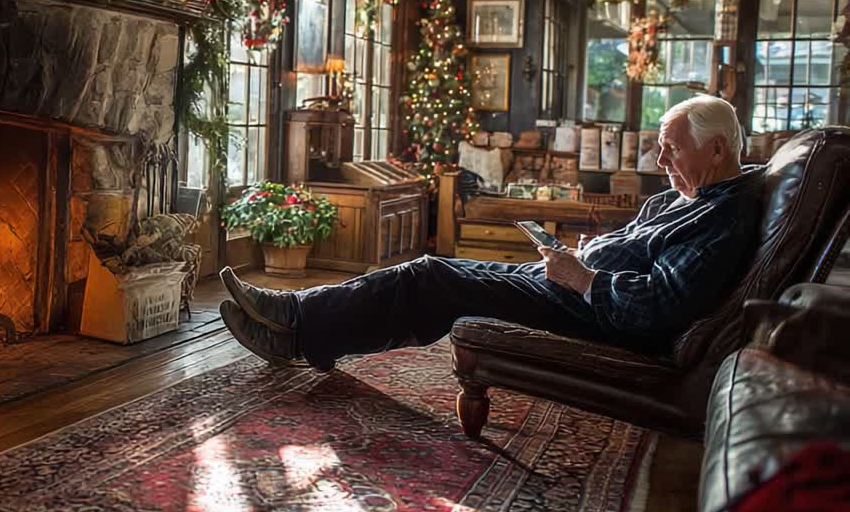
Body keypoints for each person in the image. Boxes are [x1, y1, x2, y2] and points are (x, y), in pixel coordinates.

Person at [219, 95, 762, 372]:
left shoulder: (721, 217)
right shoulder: (687, 198)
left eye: (673, 147)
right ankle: (299, 331)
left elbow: (662, 305)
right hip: (572, 286)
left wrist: (586, 277)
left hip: (592, 312)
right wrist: (579, 262)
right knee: (432, 279)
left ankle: (294, 321)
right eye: (661, 146)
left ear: (717, 149)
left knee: (431, 277)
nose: (660, 158)